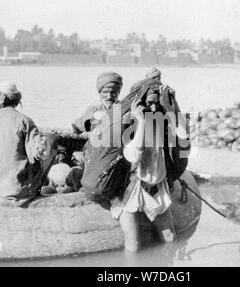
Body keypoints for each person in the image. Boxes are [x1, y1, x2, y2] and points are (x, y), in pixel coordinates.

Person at [110, 79, 190, 252]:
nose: (153, 108)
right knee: (134, 245)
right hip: (131, 190)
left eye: (156, 104)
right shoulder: (130, 124)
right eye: (149, 104)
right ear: (139, 104)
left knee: (170, 238)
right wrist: (140, 121)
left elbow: (184, 138)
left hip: (156, 187)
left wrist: (173, 107)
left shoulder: (161, 122)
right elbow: (133, 156)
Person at [0, 81, 57, 207]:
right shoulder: (24, 121)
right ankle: (36, 190)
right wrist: (47, 141)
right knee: (52, 140)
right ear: (16, 100)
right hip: (20, 190)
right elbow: (40, 152)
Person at [63, 72, 124, 192]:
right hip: (95, 156)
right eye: (105, 92)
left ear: (118, 92)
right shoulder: (93, 110)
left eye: (113, 92)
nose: (109, 96)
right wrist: (91, 121)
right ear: (100, 93)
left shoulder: (123, 109)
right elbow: (77, 126)